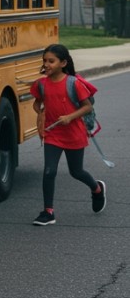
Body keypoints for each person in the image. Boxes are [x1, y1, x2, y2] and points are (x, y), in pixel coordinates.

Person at [29, 44, 105, 226]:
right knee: (49, 171)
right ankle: (48, 211)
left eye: (51, 61)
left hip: (73, 133)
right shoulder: (41, 84)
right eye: (44, 61)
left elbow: (87, 106)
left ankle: (97, 188)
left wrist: (70, 117)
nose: (46, 64)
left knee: (76, 171)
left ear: (63, 63)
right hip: (53, 133)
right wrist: (39, 112)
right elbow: (37, 103)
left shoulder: (73, 83)